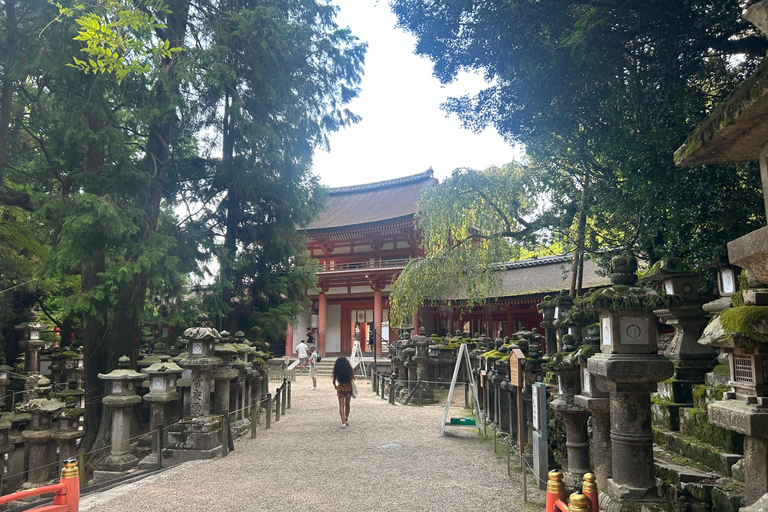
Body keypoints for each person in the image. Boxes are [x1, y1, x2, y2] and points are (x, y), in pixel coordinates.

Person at [332, 356, 355, 429]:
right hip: (348, 388)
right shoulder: (349, 370)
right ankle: (346, 418)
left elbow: (334, 380)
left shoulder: (337, 369)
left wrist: (335, 386)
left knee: (341, 406)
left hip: (340, 389)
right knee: (347, 404)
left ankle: (343, 422)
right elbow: (353, 378)